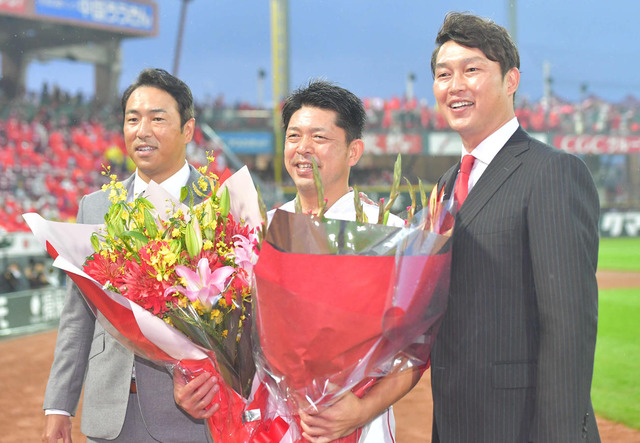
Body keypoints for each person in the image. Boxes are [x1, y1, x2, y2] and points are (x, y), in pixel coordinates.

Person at [177, 80, 421, 442]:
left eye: (319, 138)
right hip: (269, 428)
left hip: (356, 429)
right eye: (294, 136)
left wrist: (360, 410)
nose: (303, 149)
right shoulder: (259, 231)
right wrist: (193, 384)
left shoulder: (386, 232)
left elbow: (413, 350)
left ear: (354, 151)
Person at [427, 12, 600, 443]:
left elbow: (568, 324)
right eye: (443, 73)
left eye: (472, 69)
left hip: (522, 427)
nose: (455, 85)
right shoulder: (447, 185)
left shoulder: (553, 172)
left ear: (511, 80)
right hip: (455, 422)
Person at [42, 68, 216, 443]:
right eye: (133, 119)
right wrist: (60, 405)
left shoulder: (218, 204)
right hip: (109, 418)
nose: (142, 130)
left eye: (157, 118)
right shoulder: (95, 207)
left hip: (191, 418)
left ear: (188, 130)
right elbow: (78, 316)